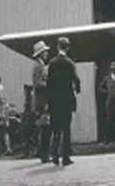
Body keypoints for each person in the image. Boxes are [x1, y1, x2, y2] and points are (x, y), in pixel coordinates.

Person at [47, 37, 81, 166]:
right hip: (67, 100)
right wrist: (76, 89)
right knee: (66, 129)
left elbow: (49, 84)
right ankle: (65, 157)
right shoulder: (70, 63)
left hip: (55, 101)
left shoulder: (52, 63)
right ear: (67, 47)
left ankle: (54, 155)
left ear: (57, 47)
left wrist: (49, 100)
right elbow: (76, 81)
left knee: (56, 129)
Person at [31, 40, 51, 163]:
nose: (46, 54)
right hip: (42, 100)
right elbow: (38, 83)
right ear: (40, 53)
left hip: (41, 99)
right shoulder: (39, 66)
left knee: (44, 127)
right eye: (45, 52)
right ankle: (44, 153)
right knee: (46, 127)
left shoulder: (39, 65)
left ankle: (42, 151)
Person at [98, 61, 115, 144]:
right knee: (108, 119)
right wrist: (106, 92)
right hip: (110, 101)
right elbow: (100, 87)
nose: (114, 68)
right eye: (112, 66)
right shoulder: (107, 78)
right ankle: (107, 138)